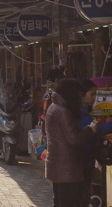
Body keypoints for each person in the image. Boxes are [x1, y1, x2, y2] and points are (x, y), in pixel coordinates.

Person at [45, 78, 96, 207]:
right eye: (78, 95)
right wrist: (90, 129)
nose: (80, 99)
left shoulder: (53, 107)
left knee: (59, 202)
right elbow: (74, 139)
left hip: (57, 166)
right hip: (67, 169)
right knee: (69, 202)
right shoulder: (63, 112)